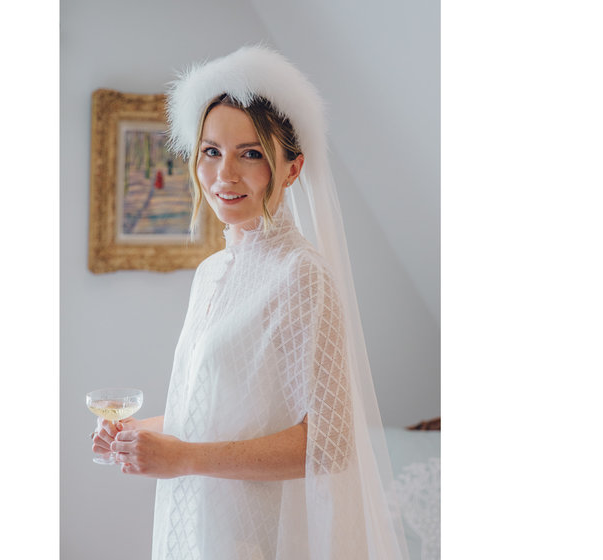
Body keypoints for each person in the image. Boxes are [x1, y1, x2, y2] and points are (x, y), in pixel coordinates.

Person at [92, 45, 409, 559]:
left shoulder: (302, 273)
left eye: (252, 152)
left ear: (291, 169)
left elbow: (327, 445)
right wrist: (137, 435)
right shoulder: (212, 272)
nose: (225, 174)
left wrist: (184, 458)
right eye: (211, 151)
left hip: (256, 537)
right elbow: (219, 412)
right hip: (196, 526)